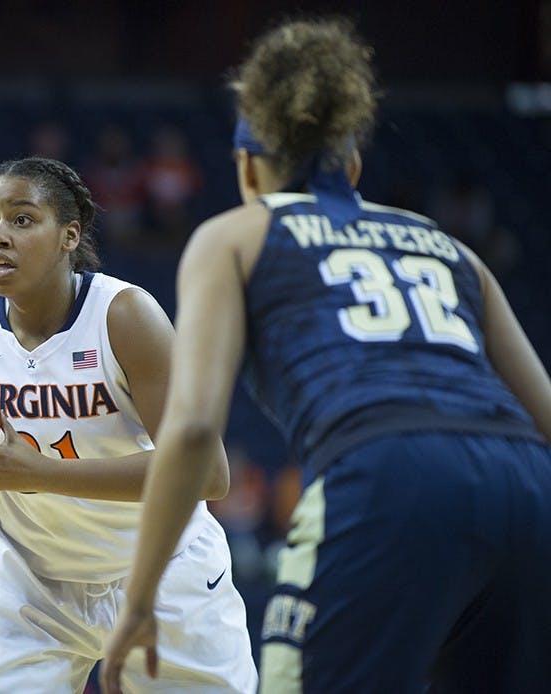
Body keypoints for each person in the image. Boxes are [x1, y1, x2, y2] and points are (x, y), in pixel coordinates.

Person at [101, 18, 551, 694]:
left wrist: (137, 601)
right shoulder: (444, 243)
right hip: (527, 487)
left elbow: (193, 429)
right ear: (355, 166)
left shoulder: (235, 235)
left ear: (247, 166)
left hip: (386, 471)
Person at [0, 157, 257, 692]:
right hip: (29, 580)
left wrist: (38, 473)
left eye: (22, 219)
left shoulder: (125, 316)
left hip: (162, 573)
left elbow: (208, 475)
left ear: (69, 235)